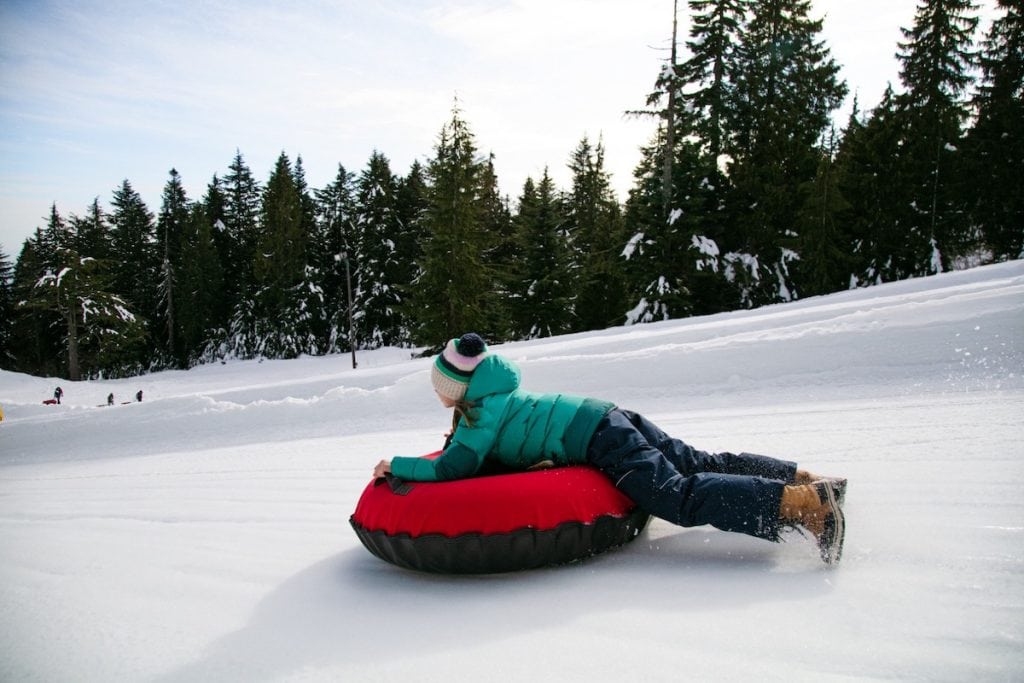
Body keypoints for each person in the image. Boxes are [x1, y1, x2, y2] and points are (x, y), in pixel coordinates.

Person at [375, 333, 847, 565]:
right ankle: (806, 478)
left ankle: (806, 507)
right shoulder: (496, 396)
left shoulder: (480, 415)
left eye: (441, 385)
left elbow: (456, 467)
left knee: (674, 495)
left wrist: (396, 465)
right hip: (605, 413)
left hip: (600, 437)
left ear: (458, 388)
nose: (438, 393)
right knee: (696, 460)